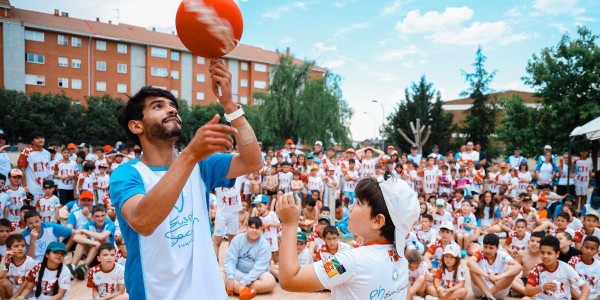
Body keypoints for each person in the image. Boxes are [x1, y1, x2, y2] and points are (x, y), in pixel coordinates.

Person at [109, 60, 262, 299]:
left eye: (173, 106)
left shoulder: (200, 164)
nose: (172, 110)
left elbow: (253, 161)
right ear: (136, 125)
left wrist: (230, 105)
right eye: (158, 106)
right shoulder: (127, 174)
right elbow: (143, 221)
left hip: (208, 292)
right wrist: (189, 155)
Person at [275, 175, 419, 299]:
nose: (350, 207)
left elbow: (291, 279)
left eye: (358, 203)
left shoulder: (349, 261)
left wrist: (289, 223)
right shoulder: (400, 258)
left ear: (377, 220)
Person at [523, 235, 589, 300]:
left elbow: (585, 288)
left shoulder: (566, 268)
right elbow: (527, 291)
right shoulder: (537, 268)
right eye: (542, 252)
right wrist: (543, 287)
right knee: (525, 299)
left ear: (557, 254)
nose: (545, 256)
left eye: (549, 253)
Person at [223, 217, 276, 298]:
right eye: (252, 227)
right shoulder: (238, 239)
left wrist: (243, 282)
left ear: (261, 230)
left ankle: (234, 287)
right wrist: (230, 277)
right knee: (218, 272)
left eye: (257, 228)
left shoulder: (264, 245)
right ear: (247, 227)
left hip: (256, 276)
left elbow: (259, 268)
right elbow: (231, 259)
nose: (254, 230)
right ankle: (242, 290)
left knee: (270, 282)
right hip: (238, 271)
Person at [468, 233, 522, 299]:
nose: (487, 250)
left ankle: (486, 297)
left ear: (497, 248)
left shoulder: (502, 254)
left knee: (512, 269)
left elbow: (519, 267)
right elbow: (469, 262)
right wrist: (487, 276)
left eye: (491, 248)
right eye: (485, 247)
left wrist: (499, 276)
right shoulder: (480, 253)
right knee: (472, 267)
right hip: (480, 289)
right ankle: (489, 297)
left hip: (498, 289)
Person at [17, 131, 51, 203]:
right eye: (37, 138)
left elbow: (47, 170)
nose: (40, 140)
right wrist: (25, 186)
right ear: (32, 141)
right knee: (31, 209)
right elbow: (21, 170)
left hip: (45, 188)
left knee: (42, 208)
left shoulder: (47, 153)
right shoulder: (26, 152)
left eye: (42, 138)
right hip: (31, 188)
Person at [0, 235, 36, 299]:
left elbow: (26, 284)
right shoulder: (8, 260)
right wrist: (4, 258)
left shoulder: (30, 262)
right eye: (16, 246)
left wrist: (13, 298)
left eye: (23, 245)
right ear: (9, 249)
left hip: (27, 292)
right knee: (2, 281)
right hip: (14, 289)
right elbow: (1, 275)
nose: (20, 248)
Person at [511, 231, 544, 296]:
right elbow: (513, 270)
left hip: (540, 283)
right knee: (511, 280)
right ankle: (528, 293)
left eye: (538, 242)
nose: (534, 243)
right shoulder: (522, 254)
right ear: (528, 242)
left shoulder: (544, 256)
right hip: (525, 281)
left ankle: (528, 293)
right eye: (532, 241)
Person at [568, 236, 600, 300]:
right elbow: (569, 285)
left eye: (592, 249)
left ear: (597, 251)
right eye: (586, 247)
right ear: (581, 248)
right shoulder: (574, 260)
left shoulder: (598, 264)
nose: (589, 251)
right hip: (577, 296)